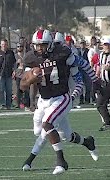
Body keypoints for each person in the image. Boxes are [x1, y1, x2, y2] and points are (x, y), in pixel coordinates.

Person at [20, 29, 98, 175]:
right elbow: (22, 85)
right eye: (37, 45)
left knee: (46, 125)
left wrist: (95, 81)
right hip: (43, 100)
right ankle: (88, 142)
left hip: (61, 98)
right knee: (60, 135)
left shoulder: (63, 54)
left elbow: (83, 65)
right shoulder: (31, 58)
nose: (39, 48)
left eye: (42, 45)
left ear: (50, 44)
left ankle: (59, 161)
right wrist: (30, 80)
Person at [0, 39, 16, 109]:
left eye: (5, 44)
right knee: (1, 90)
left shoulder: (11, 53)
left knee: (9, 90)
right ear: (0, 45)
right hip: (0, 75)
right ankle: (2, 104)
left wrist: (14, 71)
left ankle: (9, 104)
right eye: (2, 44)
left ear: (7, 45)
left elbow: (14, 63)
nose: (4, 46)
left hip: (9, 74)